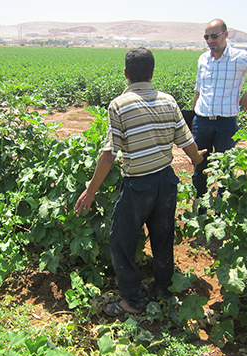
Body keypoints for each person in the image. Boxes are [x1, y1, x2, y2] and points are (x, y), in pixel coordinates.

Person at [74, 47, 206, 316]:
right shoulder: (169, 101)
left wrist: (90, 191)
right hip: (167, 182)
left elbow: (109, 154)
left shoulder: (119, 105)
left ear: (126, 74)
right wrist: (197, 159)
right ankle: (162, 291)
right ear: (152, 72)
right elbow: (188, 143)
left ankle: (132, 302)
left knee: (121, 241)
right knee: (163, 237)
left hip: (139, 187)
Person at [192, 19, 247, 211]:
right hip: (202, 121)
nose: (210, 40)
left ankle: (223, 212)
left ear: (226, 34)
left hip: (226, 124)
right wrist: (193, 117)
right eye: (206, 37)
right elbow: (198, 90)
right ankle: (200, 211)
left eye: (214, 36)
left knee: (225, 169)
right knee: (199, 168)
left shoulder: (240, 57)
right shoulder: (203, 59)